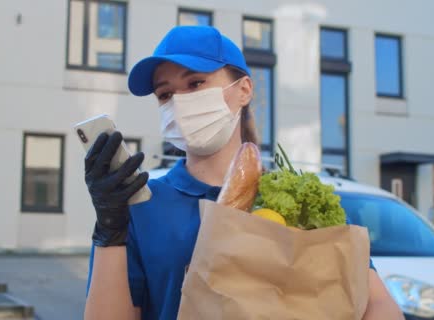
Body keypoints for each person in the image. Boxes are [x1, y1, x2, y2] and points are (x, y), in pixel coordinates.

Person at [83, 26, 403, 320]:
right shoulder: (141, 204)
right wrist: (109, 230)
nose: (180, 103)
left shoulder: (294, 198)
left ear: (244, 90)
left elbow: (376, 304)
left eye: (196, 83)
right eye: (165, 94)